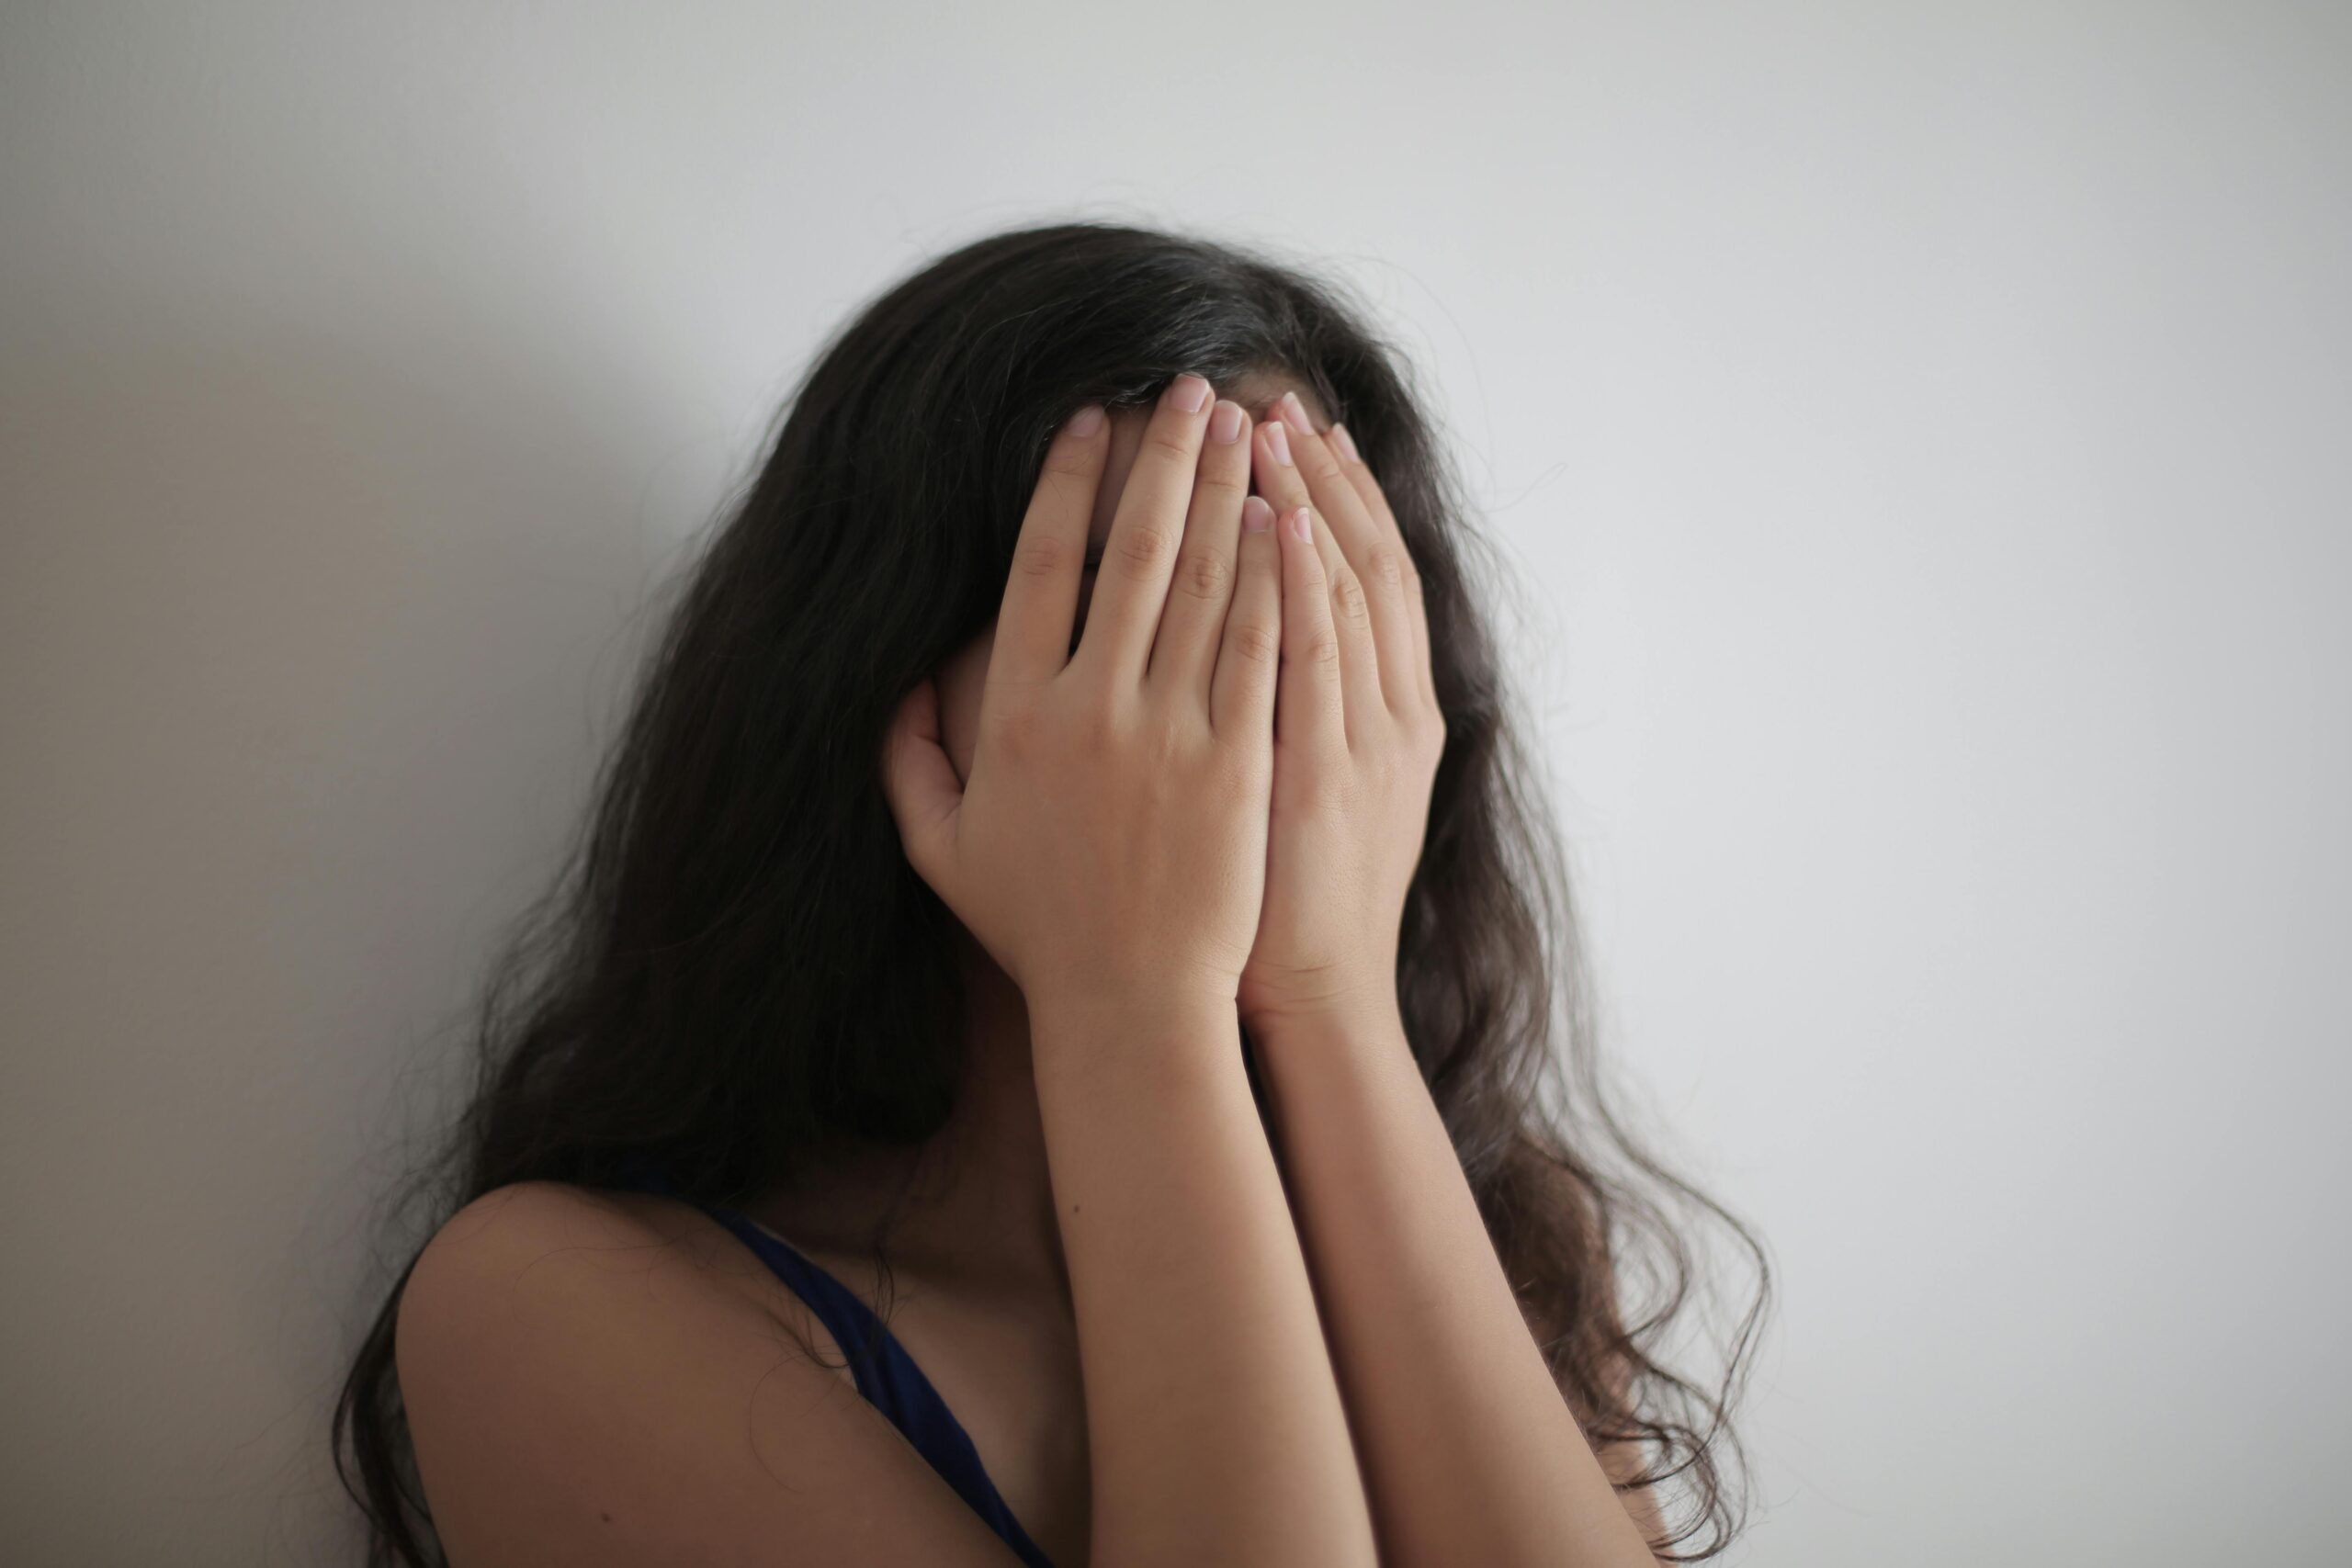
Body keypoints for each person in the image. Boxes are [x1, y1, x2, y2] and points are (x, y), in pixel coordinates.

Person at [332, 220, 1766, 1567]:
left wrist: (1326, 1002)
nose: (1249, 687)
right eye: (1144, 605)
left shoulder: (1519, 1229)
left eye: (1311, 606)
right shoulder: (554, 1307)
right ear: (883, 682)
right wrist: (1134, 1000)